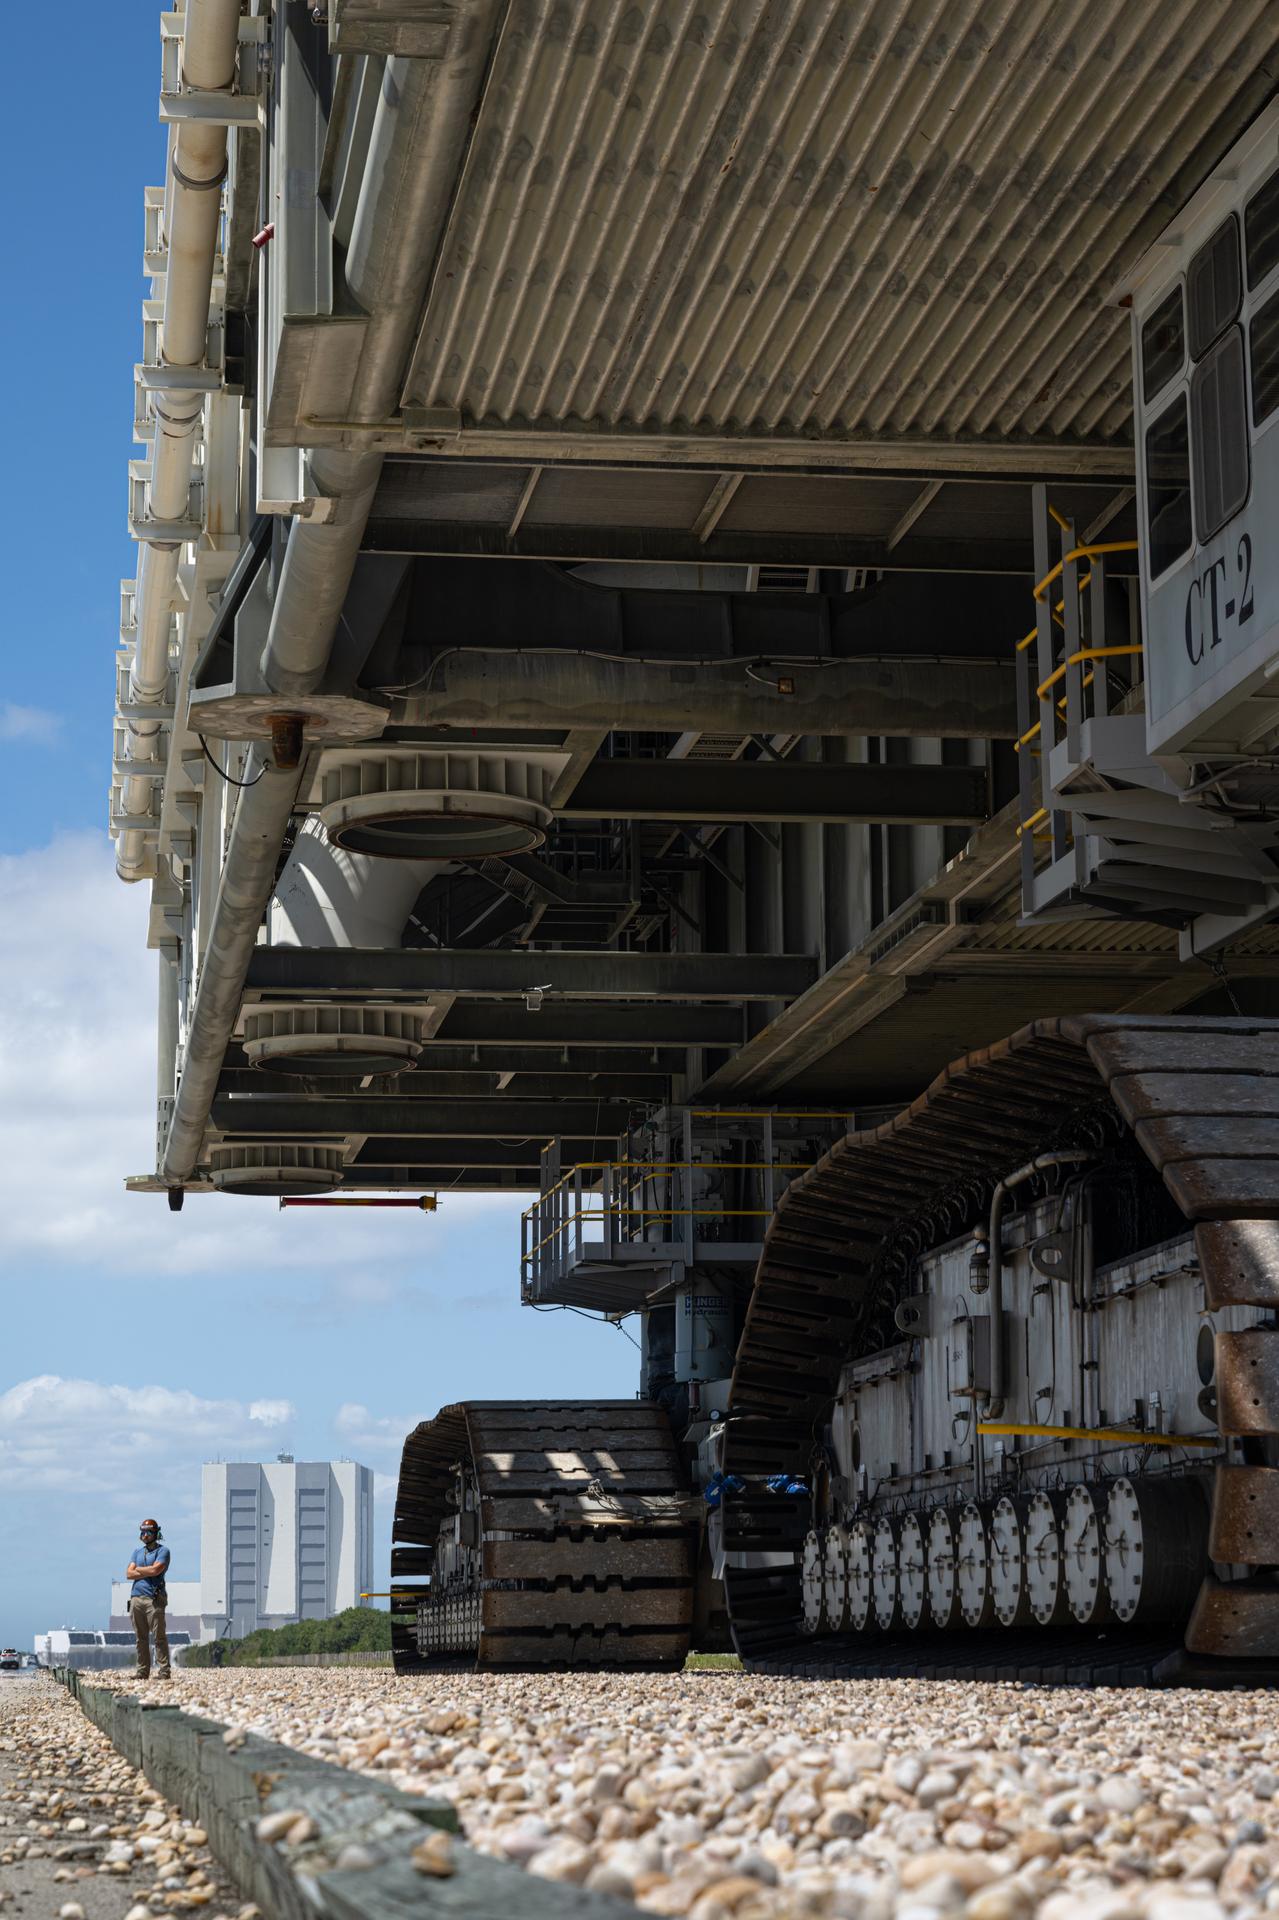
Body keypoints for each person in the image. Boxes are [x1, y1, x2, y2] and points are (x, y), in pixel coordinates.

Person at [126, 1518, 171, 1681]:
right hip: (136, 1598)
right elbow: (128, 1574)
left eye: (148, 1532)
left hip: (154, 1599)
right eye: (142, 1532)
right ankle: (142, 1672)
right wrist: (147, 1571)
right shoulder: (137, 1552)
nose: (145, 1535)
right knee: (141, 1638)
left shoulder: (163, 1551)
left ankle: (164, 1671)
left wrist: (138, 1569)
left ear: (156, 1533)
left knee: (159, 1636)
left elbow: (156, 1570)